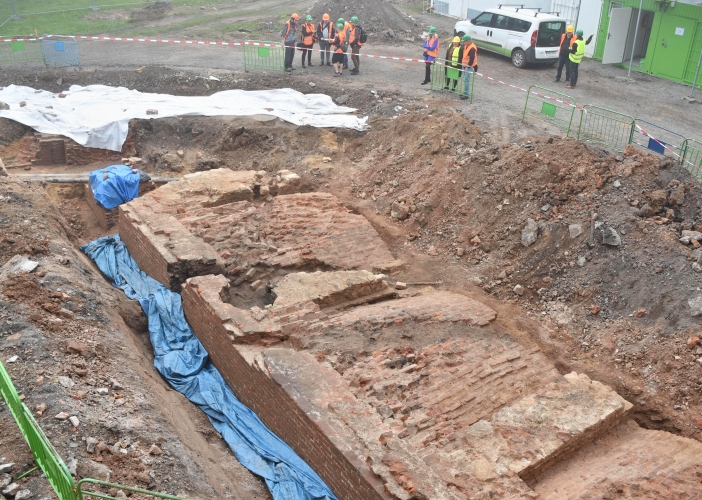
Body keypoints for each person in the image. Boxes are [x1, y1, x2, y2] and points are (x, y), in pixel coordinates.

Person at [460, 34, 477, 99]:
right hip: (465, 66)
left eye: (464, 41)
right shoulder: (466, 45)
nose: (464, 42)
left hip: (469, 67)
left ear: (468, 41)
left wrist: (468, 67)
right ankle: (465, 92)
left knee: (466, 80)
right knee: (465, 79)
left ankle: (466, 94)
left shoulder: (472, 48)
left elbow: (472, 58)